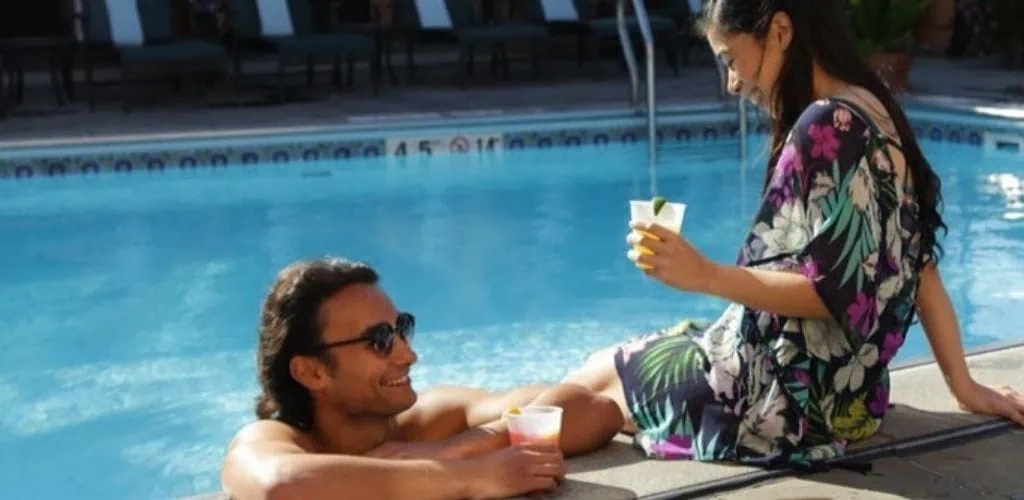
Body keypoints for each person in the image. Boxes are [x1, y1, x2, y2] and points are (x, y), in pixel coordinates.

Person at [560, 0, 1024, 466]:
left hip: (778, 403)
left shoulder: (827, 126)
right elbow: (919, 266)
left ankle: (491, 429)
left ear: (780, 31)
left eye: (731, 60)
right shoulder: (873, 108)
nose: (733, 83)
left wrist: (702, 274)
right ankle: (486, 416)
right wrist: (964, 388)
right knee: (612, 367)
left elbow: (829, 293)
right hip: (851, 404)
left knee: (601, 376)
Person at [220, 257, 624, 500]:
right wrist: (475, 476)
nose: (408, 354)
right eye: (379, 341)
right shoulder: (275, 440)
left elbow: (593, 409)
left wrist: (459, 447)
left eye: (402, 328)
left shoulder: (428, 422)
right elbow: (281, 487)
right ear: (312, 371)